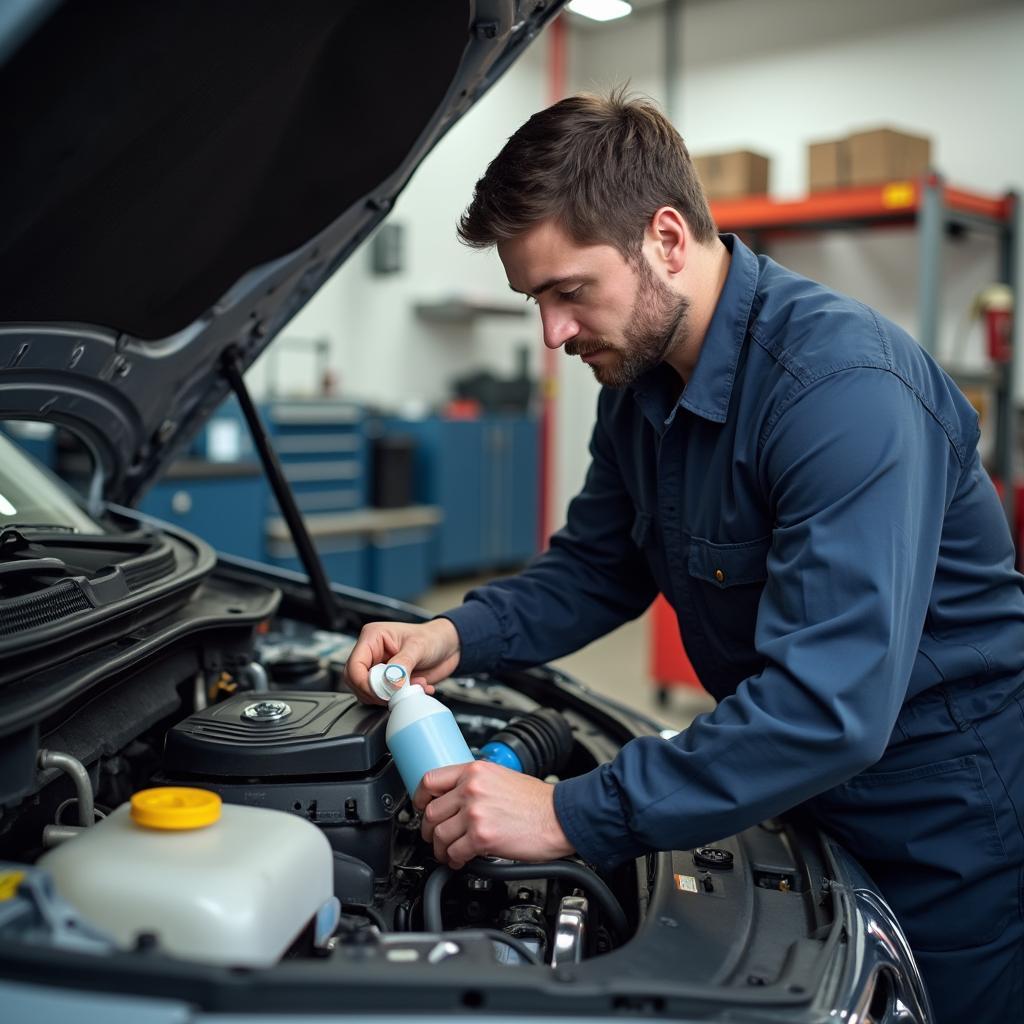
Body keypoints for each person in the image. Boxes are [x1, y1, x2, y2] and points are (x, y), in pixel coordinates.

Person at [345, 92, 1024, 1021]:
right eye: (533, 299)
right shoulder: (637, 383)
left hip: (943, 831)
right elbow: (595, 567)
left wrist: (566, 813)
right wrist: (452, 636)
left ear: (666, 238)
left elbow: (827, 707)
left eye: (568, 290)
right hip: (796, 796)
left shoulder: (838, 391)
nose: (552, 334)